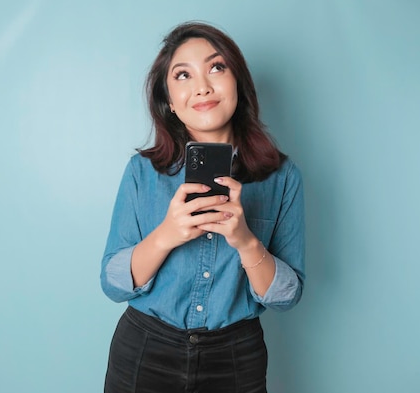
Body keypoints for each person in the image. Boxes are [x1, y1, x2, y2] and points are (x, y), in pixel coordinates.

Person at [100, 21, 305, 393]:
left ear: (237, 83)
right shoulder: (142, 173)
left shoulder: (282, 177)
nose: (202, 86)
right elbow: (113, 284)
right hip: (145, 350)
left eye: (216, 67)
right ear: (169, 102)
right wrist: (166, 235)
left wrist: (246, 241)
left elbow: (287, 296)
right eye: (183, 75)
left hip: (236, 359)